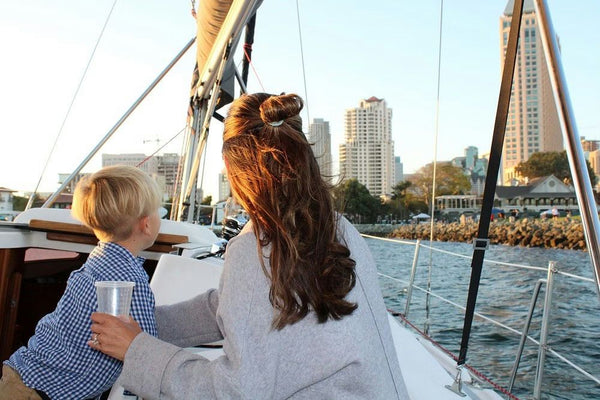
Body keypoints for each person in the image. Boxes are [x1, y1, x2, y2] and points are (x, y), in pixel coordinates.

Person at [88, 93, 409, 399]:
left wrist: (136, 350)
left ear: (231, 168)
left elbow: (233, 393)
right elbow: (236, 305)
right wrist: (146, 324)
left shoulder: (255, 251)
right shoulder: (337, 226)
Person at [0, 165, 161, 400]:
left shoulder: (97, 260)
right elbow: (143, 352)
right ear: (146, 224)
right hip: (37, 394)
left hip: (22, 378)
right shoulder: (130, 279)